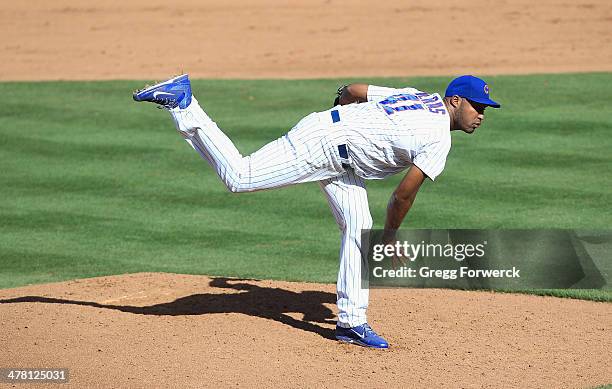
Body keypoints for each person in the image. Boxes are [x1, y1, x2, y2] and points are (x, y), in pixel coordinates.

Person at [133, 74, 501, 348]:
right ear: (455, 101)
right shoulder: (439, 135)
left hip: (338, 151)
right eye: (477, 106)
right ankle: (185, 104)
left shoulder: (418, 97)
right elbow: (402, 197)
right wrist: (389, 239)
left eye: (484, 109)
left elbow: (354, 91)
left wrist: (341, 116)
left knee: (359, 225)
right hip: (322, 148)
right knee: (239, 177)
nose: (481, 115)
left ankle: (352, 325)